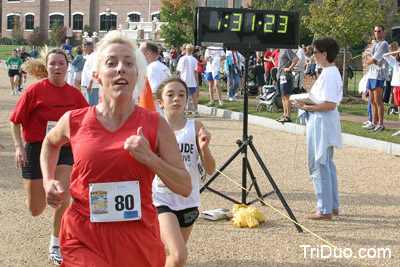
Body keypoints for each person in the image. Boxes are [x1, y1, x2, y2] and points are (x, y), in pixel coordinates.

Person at [40, 30, 191, 266]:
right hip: (83, 235)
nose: (121, 68)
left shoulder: (156, 124)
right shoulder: (74, 120)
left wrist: (150, 158)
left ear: (137, 75)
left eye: (128, 63)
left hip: (137, 237)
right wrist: (48, 180)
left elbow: (184, 186)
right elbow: (50, 142)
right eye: (111, 63)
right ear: (97, 75)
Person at [9, 48, 89, 265]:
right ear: (47, 67)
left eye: (61, 63)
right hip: (37, 149)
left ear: (67, 66)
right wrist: (19, 148)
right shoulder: (34, 91)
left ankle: (56, 243)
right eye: (52, 63)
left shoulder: (74, 94)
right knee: (36, 208)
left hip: (64, 150)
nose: (57, 67)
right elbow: (15, 121)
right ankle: (44, 192)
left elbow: (88, 120)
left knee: (62, 195)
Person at [154, 77, 215, 267]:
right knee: (180, 254)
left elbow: (210, 169)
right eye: (170, 95)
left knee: (175, 257)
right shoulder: (153, 128)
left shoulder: (195, 127)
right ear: (160, 102)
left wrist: (204, 148)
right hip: (160, 198)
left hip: (188, 199)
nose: (176, 99)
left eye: (181, 95)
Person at [293, 36, 343, 220]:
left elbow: (329, 104)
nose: (312, 56)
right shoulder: (329, 72)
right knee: (327, 163)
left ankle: (324, 208)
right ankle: (332, 205)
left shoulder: (329, 74)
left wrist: (307, 107)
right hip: (323, 120)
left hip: (322, 121)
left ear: (324, 53)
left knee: (318, 163)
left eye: (314, 53)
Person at [364, 25, 389, 132]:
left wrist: (371, 59)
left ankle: (381, 124)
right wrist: (371, 59)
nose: (377, 33)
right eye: (375, 31)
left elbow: (372, 59)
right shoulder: (374, 44)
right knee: (372, 100)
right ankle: (373, 122)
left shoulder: (383, 44)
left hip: (379, 75)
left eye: (379, 31)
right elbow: (368, 57)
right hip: (371, 74)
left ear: (383, 32)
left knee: (379, 100)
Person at [140, 40, 171, 116]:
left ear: (148, 53)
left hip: (155, 112)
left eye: (140, 53)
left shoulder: (151, 68)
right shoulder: (163, 67)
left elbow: (154, 93)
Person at [176, 44, 200, 117]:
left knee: (183, 97)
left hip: (183, 80)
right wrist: (197, 80)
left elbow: (178, 70)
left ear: (186, 49)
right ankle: (196, 111)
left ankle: (183, 110)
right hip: (192, 80)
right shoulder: (194, 59)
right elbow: (195, 71)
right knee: (194, 97)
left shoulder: (181, 59)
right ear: (192, 50)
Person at [276, 49, 299, 123]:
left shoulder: (287, 49)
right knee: (283, 96)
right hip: (280, 75)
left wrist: (290, 68)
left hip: (285, 76)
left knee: (287, 95)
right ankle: (285, 114)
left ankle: (288, 116)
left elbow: (296, 59)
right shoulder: (281, 50)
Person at [383, 47, 400, 136]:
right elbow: (384, 56)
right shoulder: (395, 61)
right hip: (397, 85)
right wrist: (395, 52)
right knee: (399, 108)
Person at [81, 41, 100, 106]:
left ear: (90, 47)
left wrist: (90, 84)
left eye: (85, 47)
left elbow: (94, 71)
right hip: (88, 85)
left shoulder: (94, 57)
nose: (84, 49)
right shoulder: (90, 56)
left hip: (92, 86)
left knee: (91, 105)